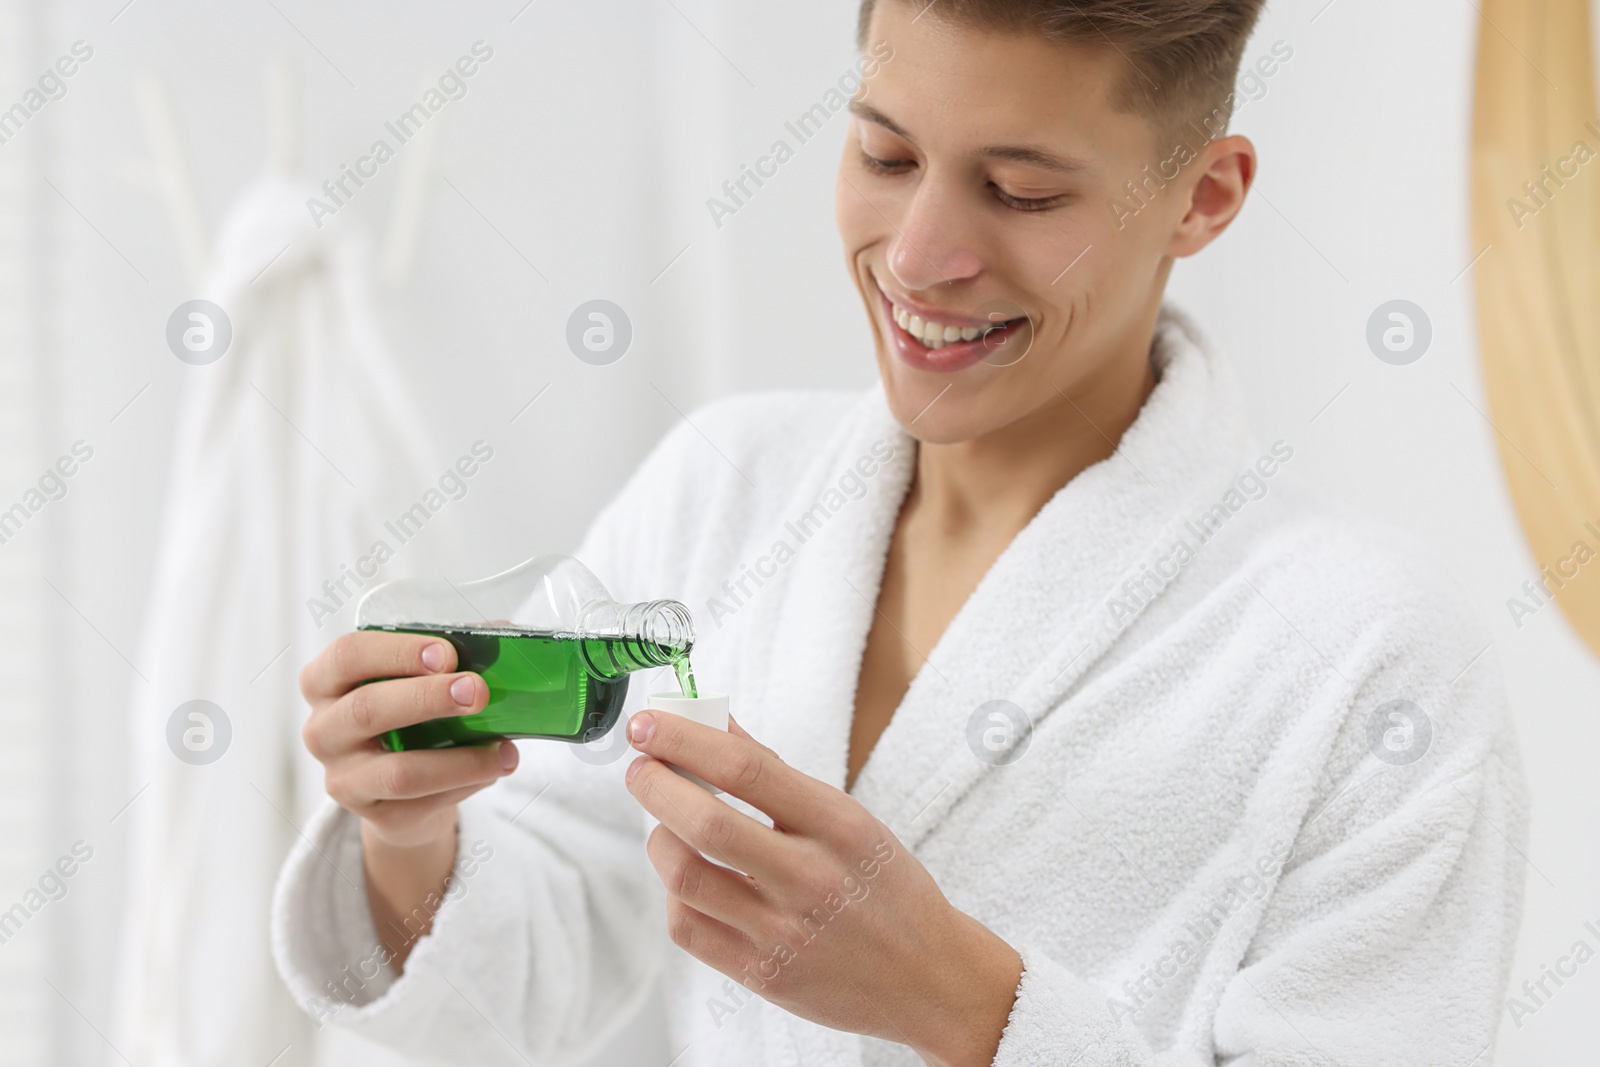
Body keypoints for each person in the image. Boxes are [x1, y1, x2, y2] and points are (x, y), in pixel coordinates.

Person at [273, 1, 1529, 1063]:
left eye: (1020, 190)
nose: (921, 255)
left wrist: (966, 1006)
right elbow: (536, 960)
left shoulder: (1372, 655)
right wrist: (410, 832)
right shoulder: (729, 478)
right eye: (884, 157)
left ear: (1201, 197)